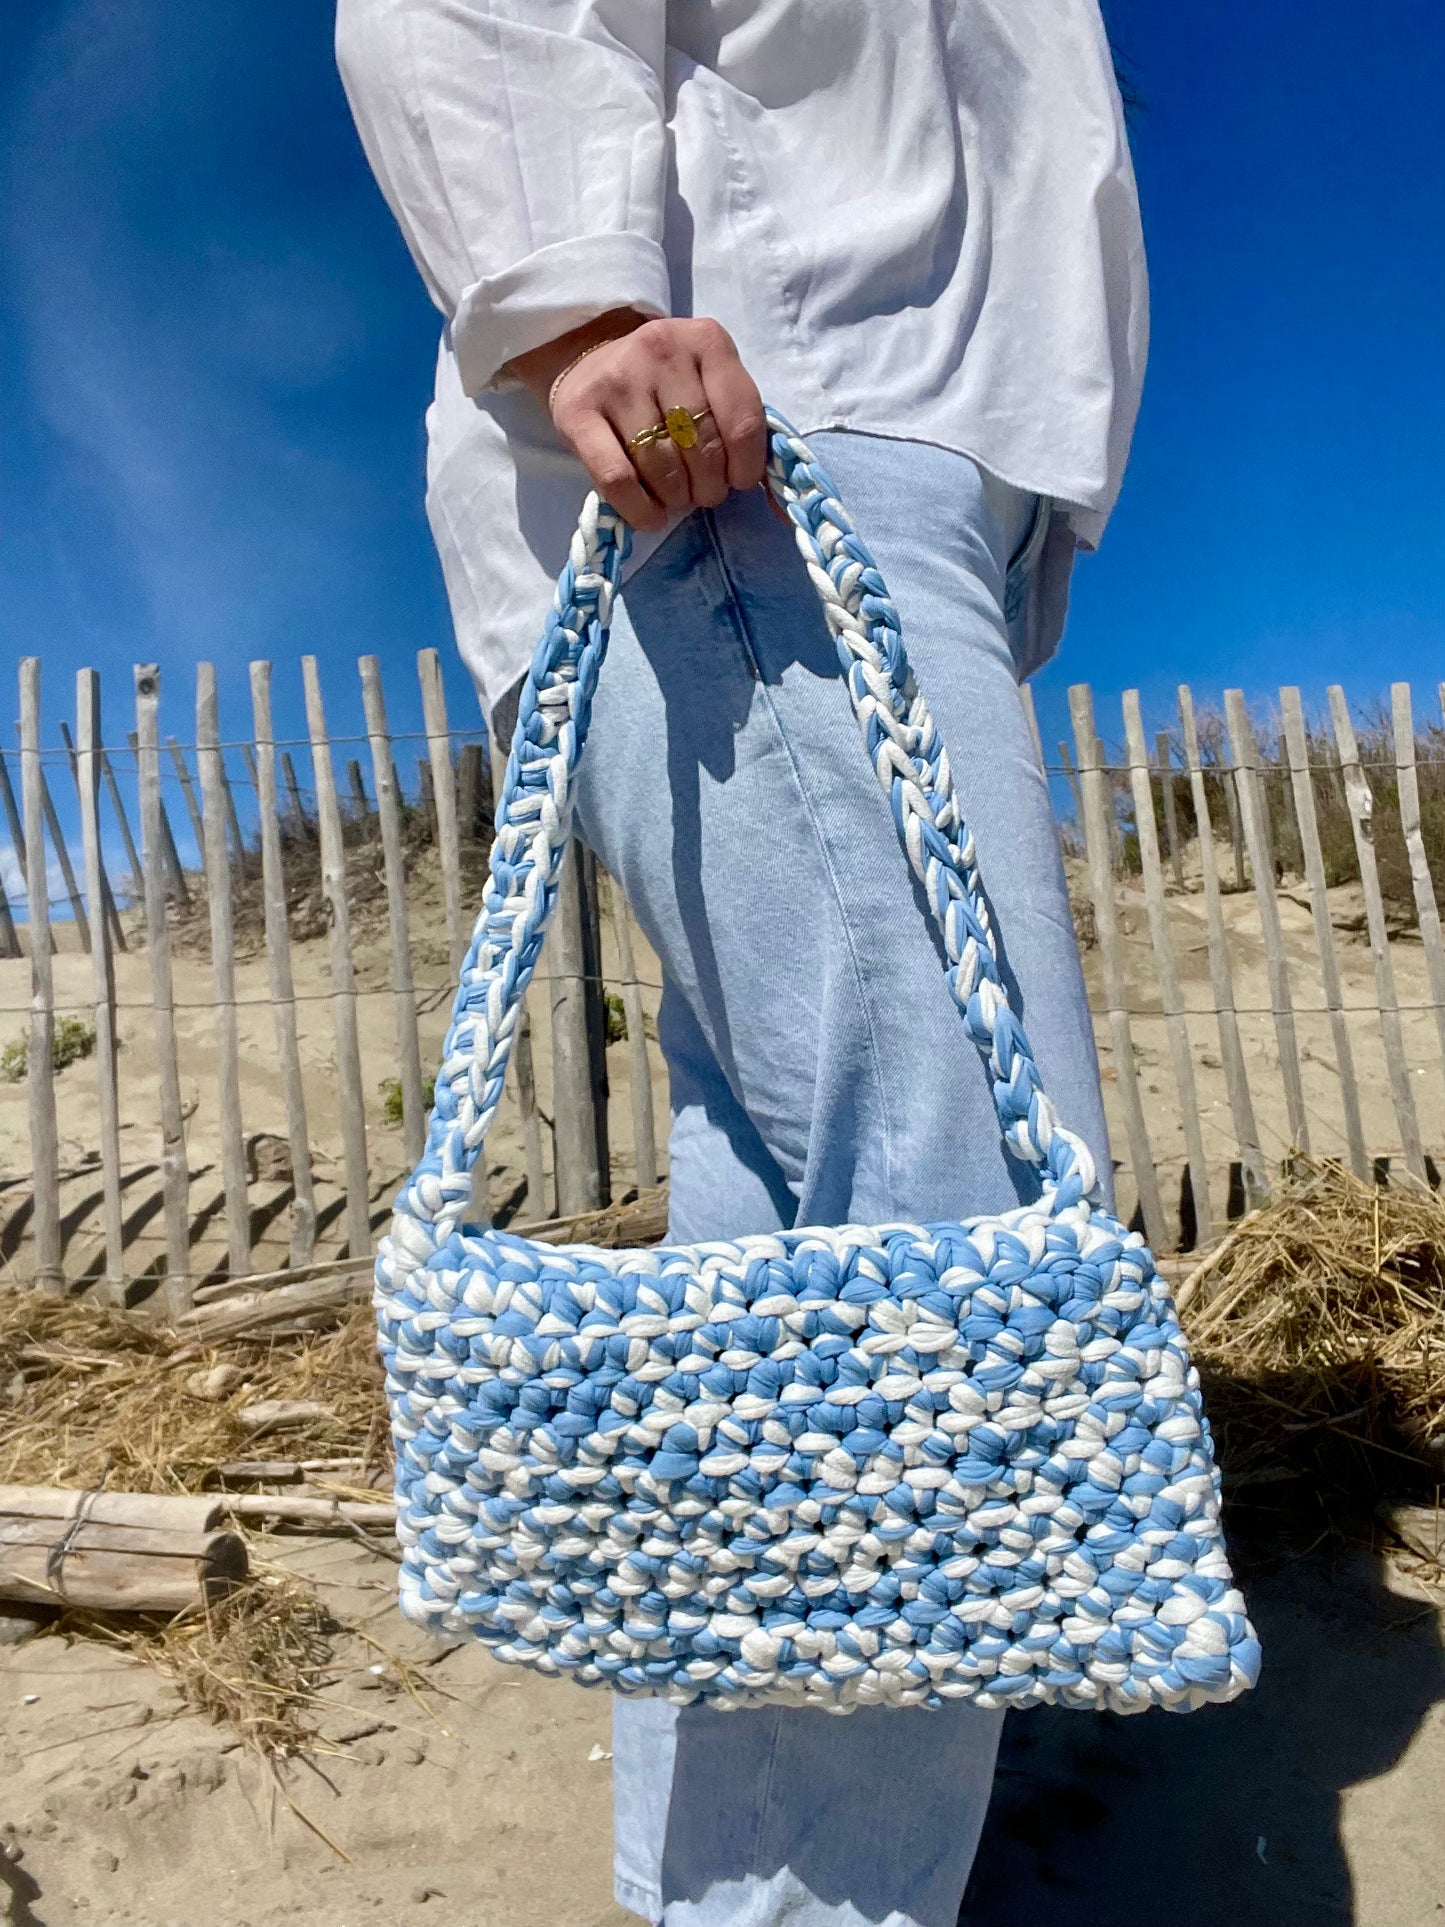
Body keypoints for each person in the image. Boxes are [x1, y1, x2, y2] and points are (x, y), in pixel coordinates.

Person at [335, 5, 1146, 1922]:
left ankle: (717, 1899)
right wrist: (569, 309)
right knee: (940, 1264)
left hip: (864, 455)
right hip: (740, 440)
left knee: (795, 1272)